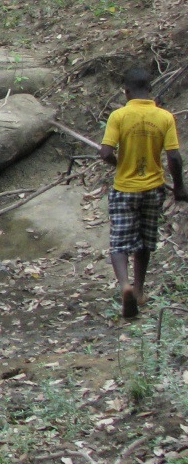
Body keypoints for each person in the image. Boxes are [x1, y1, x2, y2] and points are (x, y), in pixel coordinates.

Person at [100, 66, 187, 320]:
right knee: (145, 242)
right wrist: (179, 187)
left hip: (125, 189)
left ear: (126, 92)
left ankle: (124, 285)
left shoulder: (119, 116)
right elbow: (174, 157)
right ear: (150, 91)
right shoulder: (165, 117)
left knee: (119, 242)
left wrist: (120, 164)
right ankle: (138, 291)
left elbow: (105, 152)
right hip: (153, 189)